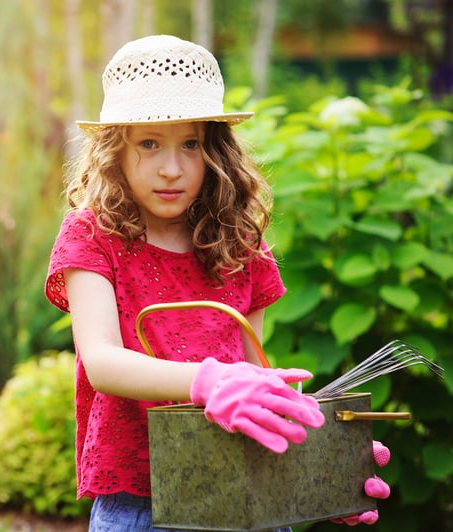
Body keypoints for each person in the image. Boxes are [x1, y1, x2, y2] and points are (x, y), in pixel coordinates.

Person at [45, 35, 390, 531]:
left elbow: (254, 376)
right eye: (149, 144)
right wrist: (208, 381)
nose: (172, 168)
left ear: (217, 150)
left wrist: (321, 460)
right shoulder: (93, 234)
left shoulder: (238, 241)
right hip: (144, 502)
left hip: (242, 495)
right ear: (113, 152)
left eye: (191, 144)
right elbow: (102, 362)